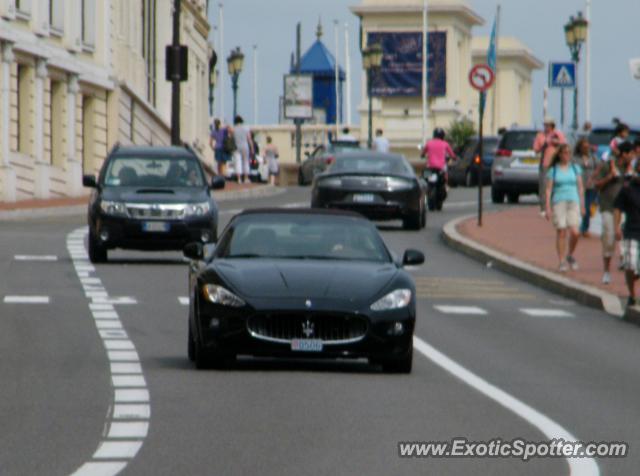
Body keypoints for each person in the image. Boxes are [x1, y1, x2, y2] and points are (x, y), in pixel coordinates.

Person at [594, 142, 634, 284]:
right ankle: (606, 270)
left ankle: (625, 261)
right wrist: (610, 177)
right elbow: (595, 183)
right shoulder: (609, 165)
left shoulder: (631, 169)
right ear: (624, 154)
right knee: (609, 239)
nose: (633, 156)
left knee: (626, 237)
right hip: (608, 207)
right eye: (631, 154)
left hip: (625, 209)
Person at [544, 144, 585, 272]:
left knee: (575, 232)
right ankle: (561, 260)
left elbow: (580, 187)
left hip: (573, 200)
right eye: (564, 153)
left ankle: (570, 254)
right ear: (560, 155)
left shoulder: (575, 168)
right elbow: (549, 189)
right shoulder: (554, 170)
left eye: (568, 153)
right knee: (561, 231)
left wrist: (583, 205)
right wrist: (547, 207)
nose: (567, 155)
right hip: (559, 201)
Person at [614, 144, 640, 306]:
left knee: (637, 267)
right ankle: (632, 294)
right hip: (631, 231)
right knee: (630, 265)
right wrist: (617, 226)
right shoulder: (628, 188)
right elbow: (618, 207)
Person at [534, 117, 567, 214]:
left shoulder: (558, 134)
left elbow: (564, 144)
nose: (546, 127)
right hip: (545, 164)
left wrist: (555, 142)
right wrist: (545, 143)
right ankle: (544, 208)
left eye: (548, 125)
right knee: (544, 186)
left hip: (557, 163)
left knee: (557, 185)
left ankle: (556, 206)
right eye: (545, 125)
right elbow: (536, 149)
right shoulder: (540, 135)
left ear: (552, 126)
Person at [572, 137, 599, 237]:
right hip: (579, 185)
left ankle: (584, 228)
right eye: (583, 147)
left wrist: (594, 178)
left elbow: (599, 167)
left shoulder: (593, 157)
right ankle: (580, 227)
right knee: (580, 208)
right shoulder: (575, 158)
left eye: (587, 146)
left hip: (591, 186)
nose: (586, 149)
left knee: (588, 207)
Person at [232, 115, 254, 184]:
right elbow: (249, 139)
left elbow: (232, 138)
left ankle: (239, 179)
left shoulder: (234, 129)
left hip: (236, 147)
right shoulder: (246, 128)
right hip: (245, 146)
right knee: (246, 162)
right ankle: (246, 178)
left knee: (238, 162)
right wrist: (252, 148)